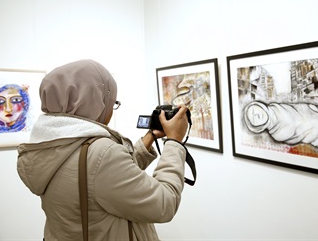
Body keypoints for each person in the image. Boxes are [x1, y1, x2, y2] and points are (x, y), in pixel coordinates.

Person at [17, 59, 190, 241]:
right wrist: (174, 142)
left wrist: (150, 138)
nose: (111, 110)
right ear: (95, 101)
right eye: (112, 102)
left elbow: (108, 182)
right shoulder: (101, 152)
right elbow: (164, 203)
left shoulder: (50, 145)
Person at [243, 101, 318, 150]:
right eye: (253, 119)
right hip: (314, 129)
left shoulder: (274, 107)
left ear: (259, 106)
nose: (256, 115)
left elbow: (297, 108)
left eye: (253, 111)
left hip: (311, 111)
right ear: (257, 127)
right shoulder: (278, 134)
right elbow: (298, 133)